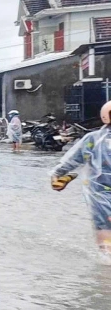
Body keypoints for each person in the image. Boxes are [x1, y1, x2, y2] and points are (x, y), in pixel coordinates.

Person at [52, 100, 111, 256]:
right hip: (100, 193)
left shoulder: (93, 139)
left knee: (104, 227)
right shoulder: (94, 139)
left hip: (99, 193)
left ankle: (107, 260)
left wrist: (57, 174)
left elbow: (73, 160)